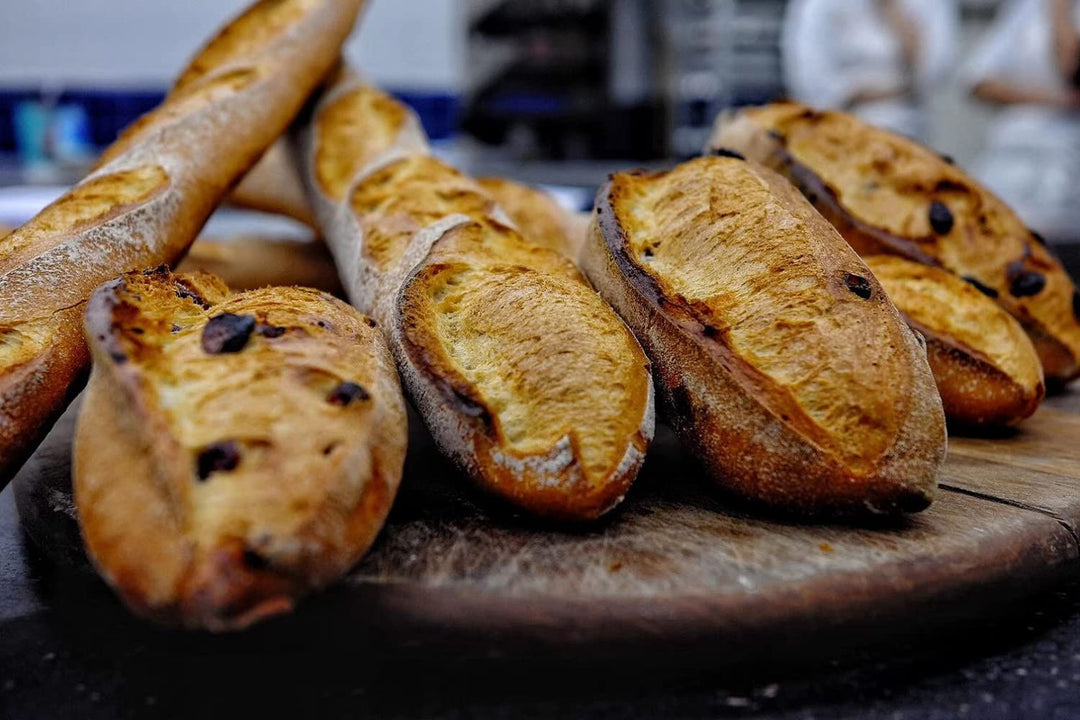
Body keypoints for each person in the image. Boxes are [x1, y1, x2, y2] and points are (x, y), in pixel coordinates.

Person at [964, 0, 1080, 239]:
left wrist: (1059, 12)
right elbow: (978, 80)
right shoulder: (1025, 8)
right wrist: (1049, 100)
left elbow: (1069, 66)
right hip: (1011, 158)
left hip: (1064, 166)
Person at [782, 0, 958, 141]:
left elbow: (934, 71)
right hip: (837, 132)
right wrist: (897, 89)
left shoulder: (932, 4)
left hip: (910, 130)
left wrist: (894, 14)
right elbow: (810, 81)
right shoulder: (817, 5)